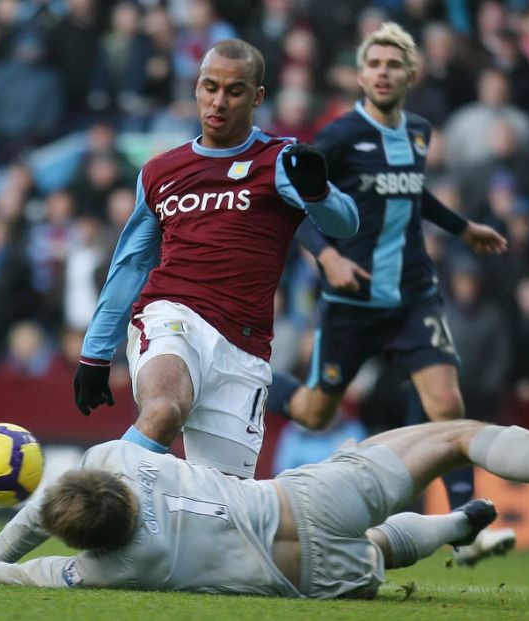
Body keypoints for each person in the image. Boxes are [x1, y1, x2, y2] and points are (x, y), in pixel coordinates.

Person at [0, 421, 529, 597]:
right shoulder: (118, 460)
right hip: (300, 497)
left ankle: (445, 530)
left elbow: (7, 570)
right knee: (457, 436)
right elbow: (45, 508)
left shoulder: (107, 569)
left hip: (306, 579)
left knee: (376, 553)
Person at [266, 22, 509, 566]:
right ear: (360, 75)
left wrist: (462, 227)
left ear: (411, 75)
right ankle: (256, 381)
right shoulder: (337, 137)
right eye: (374, 64)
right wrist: (327, 256)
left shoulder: (418, 132)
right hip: (351, 304)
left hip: (412, 295)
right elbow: (293, 201)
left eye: (393, 65)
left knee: (447, 403)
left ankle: (466, 530)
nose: (383, 72)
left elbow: (413, 192)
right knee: (310, 410)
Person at [72, 38, 359, 479]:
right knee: (165, 409)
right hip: (171, 316)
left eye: (235, 90)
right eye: (210, 87)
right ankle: (82, 495)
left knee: (221, 512)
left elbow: (345, 224)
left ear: (258, 96)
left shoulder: (279, 161)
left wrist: (318, 192)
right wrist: (96, 354)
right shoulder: (160, 171)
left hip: (243, 348)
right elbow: (130, 265)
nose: (219, 101)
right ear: (196, 88)